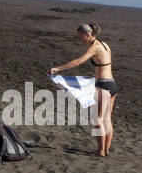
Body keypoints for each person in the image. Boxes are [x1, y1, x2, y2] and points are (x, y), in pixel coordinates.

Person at [50, 23, 117, 157]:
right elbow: (105, 64)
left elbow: (78, 62)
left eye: (81, 37)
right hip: (112, 84)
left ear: (88, 34)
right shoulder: (104, 44)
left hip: (103, 86)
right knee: (107, 119)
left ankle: (100, 151)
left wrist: (58, 69)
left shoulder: (94, 47)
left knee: (98, 119)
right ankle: (106, 149)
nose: (80, 40)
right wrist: (96, 75)